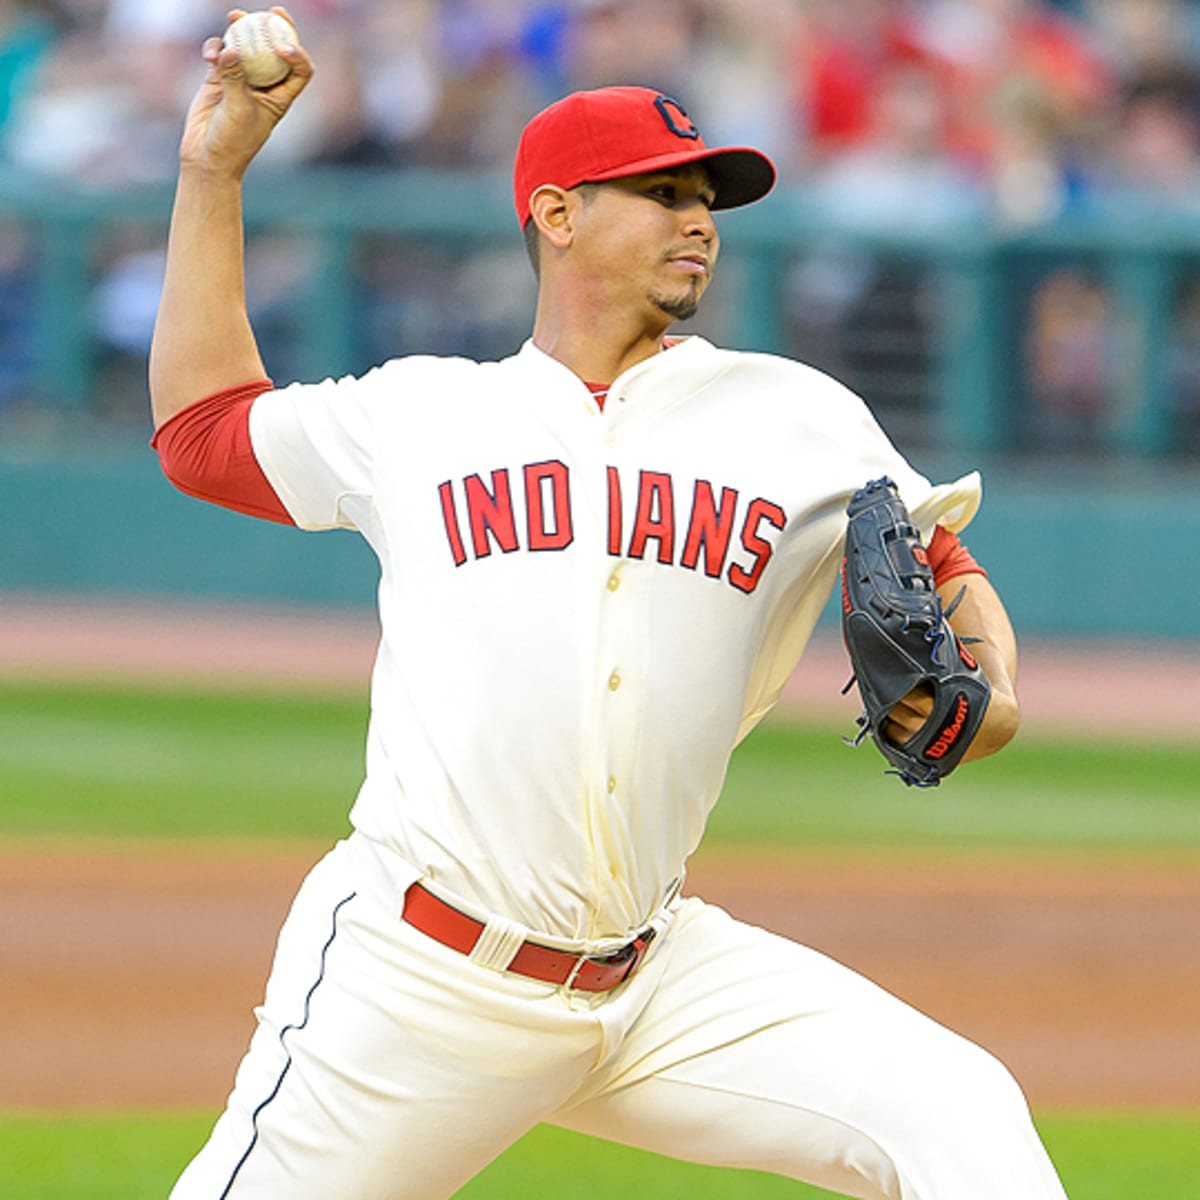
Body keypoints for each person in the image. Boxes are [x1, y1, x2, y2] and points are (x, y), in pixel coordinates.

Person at [149, 10, 1066, 1200]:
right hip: (421, 983)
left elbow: (945, 570)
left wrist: (987, 697)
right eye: (660, 190)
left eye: (707, 197)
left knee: (960, 1116)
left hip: (655, 978)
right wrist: (213, 170)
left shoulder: (797, 416)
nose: (698, 219)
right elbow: (202, 433)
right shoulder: (423, 414)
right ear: (557, 212)